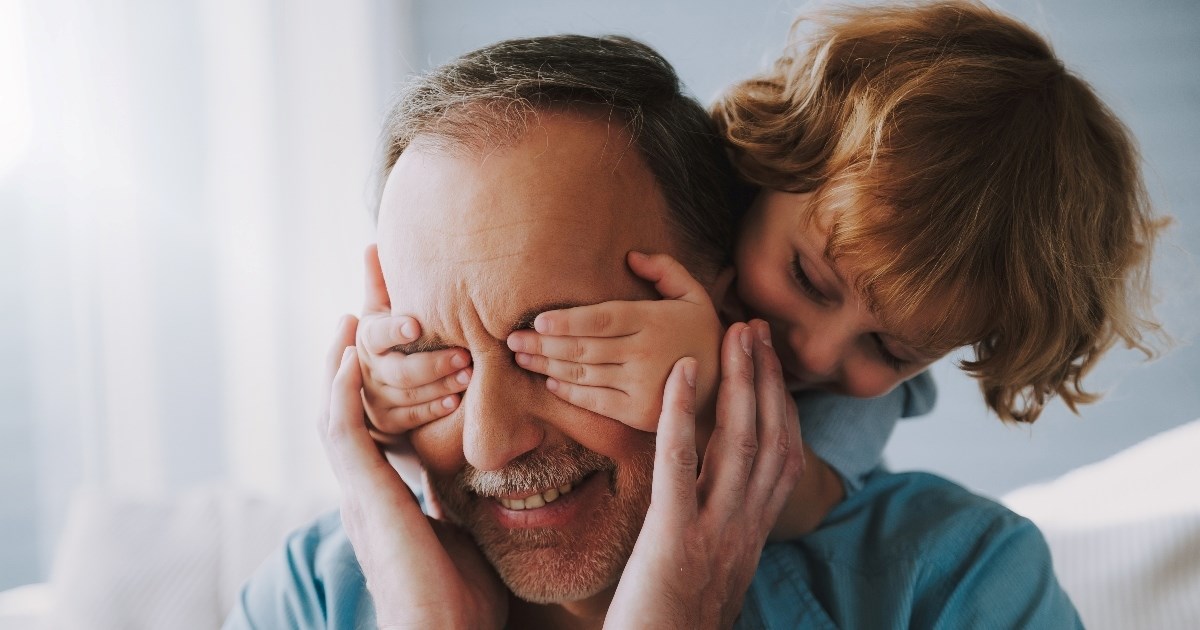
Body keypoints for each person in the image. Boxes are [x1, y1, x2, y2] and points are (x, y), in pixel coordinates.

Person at [225, 31, 1082, 629]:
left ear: (714, 304)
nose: (489, 445)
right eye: (434, 354)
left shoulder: (958, 587)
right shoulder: (312, 598)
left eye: (554, 346)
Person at [359, 0, 1165, 535]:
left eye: (890, 350)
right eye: (811, 280)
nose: (814, 353)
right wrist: (410, 384)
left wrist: (708, 403)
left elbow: (791, 499)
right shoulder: (669, 196)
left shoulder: (861, 425)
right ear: (769, 161)